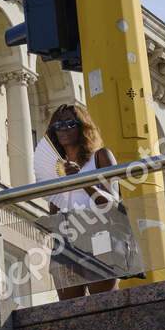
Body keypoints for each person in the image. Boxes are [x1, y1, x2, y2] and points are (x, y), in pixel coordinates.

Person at [44, 103, 120, 299]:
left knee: (104, 304)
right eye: (58, 126)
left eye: (70, 123)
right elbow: (54, 213)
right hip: (67, 239)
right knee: (69, 311)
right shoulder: (56, 169)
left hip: (99, 232)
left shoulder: (101, 157)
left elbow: (112, 203)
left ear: (83, 126)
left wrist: (83, 182)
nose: (64, 129)